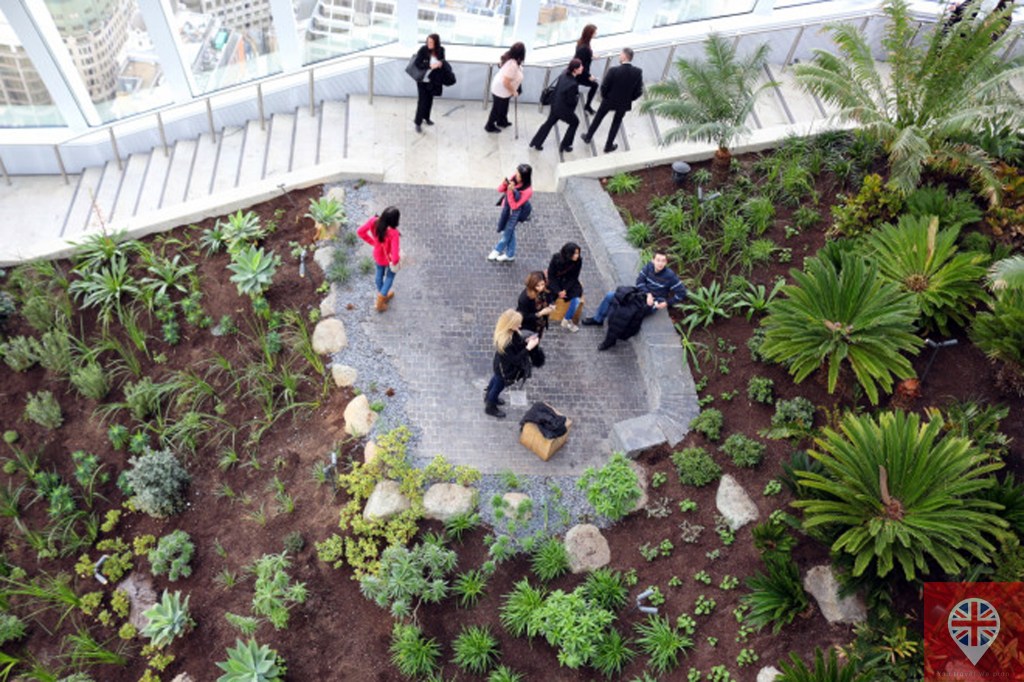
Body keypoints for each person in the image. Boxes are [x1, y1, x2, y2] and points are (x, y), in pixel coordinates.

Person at [582, 251, 687, 338]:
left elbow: (682, 293)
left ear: (666, 263)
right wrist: (648, 293)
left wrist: (666, 303)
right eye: (658, 260)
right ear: (653, 260)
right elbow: (639, 282)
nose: (660, 263)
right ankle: (598, 319)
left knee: (627, 309)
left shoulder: (670, 276)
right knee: (611, 295)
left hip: (653, 302)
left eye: (663, 261)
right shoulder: (648, 267)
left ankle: (617, 334)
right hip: (640, 294)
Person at [581, 47, 644, 153]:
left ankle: (588, 137)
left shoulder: (613, 70)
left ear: (625, 56)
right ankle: (608, 146)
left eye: (620, 54)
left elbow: (604, 87)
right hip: (624, 103)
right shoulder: (637, 72)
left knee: (598, 117)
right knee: (616, 122)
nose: (619, 56)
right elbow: (639, 91)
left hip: (609, 100)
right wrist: (630, 98)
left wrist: (606, 97)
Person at [485, 309, 543, 418]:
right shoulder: (506, 342)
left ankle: (489, 395)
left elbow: (516, 345)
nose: (520, 325)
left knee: (495, 381)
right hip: (504, 369)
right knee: (498, 386)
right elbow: (516, 359)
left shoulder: (508, 332)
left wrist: (525, 341)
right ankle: (490, 405)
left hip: (500, 365)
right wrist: (528, 348)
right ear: (510, 325)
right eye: (517, 324)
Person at [529, 58, 585, 153]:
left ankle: (536, 142)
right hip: (563, 110)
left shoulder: (564, 73)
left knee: (548, 123)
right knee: (575, 122)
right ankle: (565, 145)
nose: (582, 68)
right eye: (580, 67)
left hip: (555, 105)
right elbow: (571, 101)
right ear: (575, 69)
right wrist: (576, 98)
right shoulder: (573, 84)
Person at [356, 206, 402, 312]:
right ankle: (381, 300)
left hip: (378, 255)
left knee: (379, 276)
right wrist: (398, 259)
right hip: (389, 259)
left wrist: (373, 242)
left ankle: (383, 294)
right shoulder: (394, 233)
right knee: (390, 277)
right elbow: (395, 257)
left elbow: (360, 231)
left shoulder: (374, 221)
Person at [487, 164, 533, 263]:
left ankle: (497, 250)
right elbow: (499, 190)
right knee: (509, 231)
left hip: (516, 213)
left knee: (507, 232)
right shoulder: (514, 179)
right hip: (506, 208)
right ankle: (510, 254)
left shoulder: (528, 191)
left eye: (518, 174)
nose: (515, 175)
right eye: (516, 172)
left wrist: (511, 191)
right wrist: (504, 184)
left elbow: (515, 206)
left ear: (524, 177)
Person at [485, 42, 526, 133]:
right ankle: (489, 126)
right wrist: (514, 91)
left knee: (504, 107)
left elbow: (500, 65)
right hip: (501, 90)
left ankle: (502, 121)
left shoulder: (510, 58)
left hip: (503, 89)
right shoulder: (512, 65)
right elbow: (506, 82)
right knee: (497, 109)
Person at [546, 242, 584, 332]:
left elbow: (574, 277)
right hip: (556, 280)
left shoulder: (578, 261)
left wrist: (565, 290)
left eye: (578, 253)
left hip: (569, 282)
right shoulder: (556, 259)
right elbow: (551, 276)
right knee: (549, 296)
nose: (577, 256)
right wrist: (558, 291)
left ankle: (567, 319)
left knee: (576, 299)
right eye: (574, 253)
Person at [413, 34, 446, 133]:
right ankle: (418, 122)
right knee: (422, 101)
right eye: (428, 42)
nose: (429, 44)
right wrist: (430, 66)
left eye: (431, 42)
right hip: (422, 80)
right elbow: (417, 63)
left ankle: (426, 118)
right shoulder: (423, 49)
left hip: (433, 80)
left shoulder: (441, 50)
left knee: (429, 100)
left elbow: (443, 60)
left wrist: (440, 63)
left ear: (436, 42)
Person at [516, 271, 556, 339]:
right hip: (529, 327)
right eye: (537, 286)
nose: (541, 288)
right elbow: (524, 316)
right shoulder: (524, 298)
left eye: (542, 284)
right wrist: (540, 313)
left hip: (540, 324)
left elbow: (550, 296)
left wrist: (551, 304)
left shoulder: (545, 289)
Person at [574, 24, 599, 115]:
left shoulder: (582, 43)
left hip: (579, 72)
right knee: (595, 85)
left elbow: (582, 58)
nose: (596, 33)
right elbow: (581, 64)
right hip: (580, 74)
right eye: (594, 32)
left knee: (594, 85)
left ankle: (587, 106)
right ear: (590, 34)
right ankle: (587, 106)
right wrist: (589, 76)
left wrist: (591, 56)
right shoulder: (585, 48)